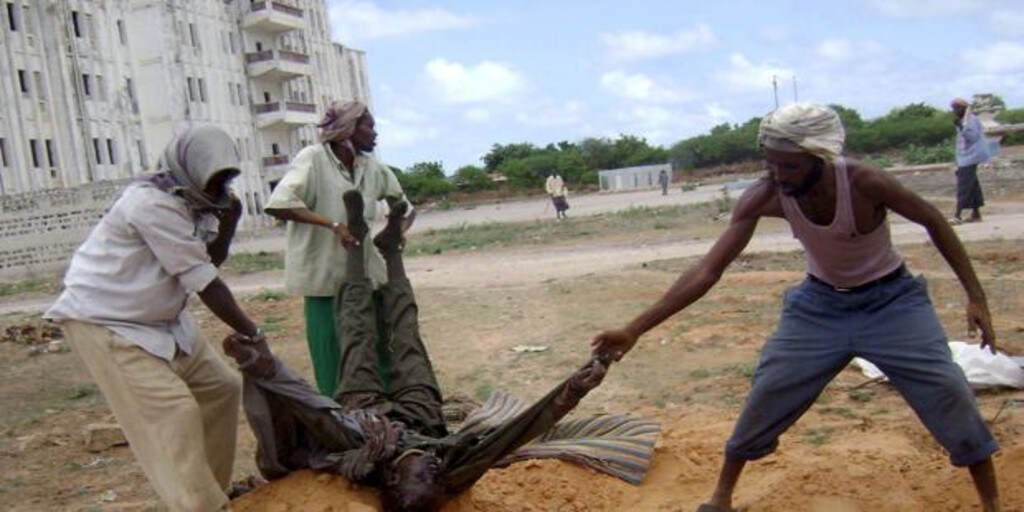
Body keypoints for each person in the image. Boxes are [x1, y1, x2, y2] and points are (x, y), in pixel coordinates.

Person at [591, 103, 1002, 512]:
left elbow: (934, 220)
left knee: (948, 390)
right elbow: (707, 271)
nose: (778, 176)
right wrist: (635, 329)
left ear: (818, 158)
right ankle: (721, 498)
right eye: (771, 164)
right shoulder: (765, 194)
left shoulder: (864, 181)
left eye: (789, 166)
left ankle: (991, 503)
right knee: (769, 390)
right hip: (818, 306)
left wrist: (976, 297)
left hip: (893, 303)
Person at [227, 191, 659, 511]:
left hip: (362, 409)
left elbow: (315, 409)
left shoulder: (361, 453)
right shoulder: (449, 467)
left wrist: (262, 365)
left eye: (425, 473)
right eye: (437, 476)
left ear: (392, 479)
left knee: (355, 331)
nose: (435, 465)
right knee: (407, 330)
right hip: (421, 411)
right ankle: (392, 251)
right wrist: (575, 387)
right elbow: (519, 431)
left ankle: (356, 243)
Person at [44, 126, 265, 512]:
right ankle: (200, 504)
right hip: (107, 320)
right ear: (190, 169)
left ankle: (207, 494)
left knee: (222, 389)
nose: (221, 189)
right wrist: (254, 332)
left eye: (227, 180)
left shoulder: (194, 203)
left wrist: (227, 222)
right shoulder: (150, 205)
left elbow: (209, 260)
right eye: (214, 180)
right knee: (172, 413)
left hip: (163, 319)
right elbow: (205, 282)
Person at [264, 100, 412, 397]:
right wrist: (334, 226)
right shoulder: (313, 159)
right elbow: (280, 204)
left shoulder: (371, 167)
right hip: (324, 283)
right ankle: (343, 424)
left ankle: (385, 418)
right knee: (332, 363)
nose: (374, 133)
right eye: (368, 126)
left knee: (378, 351)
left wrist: (395, 231)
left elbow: (404, 207)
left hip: (368, 278)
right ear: (348, 129)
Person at [951, 97, 989, 224]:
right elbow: (960, 143)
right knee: (972, 185)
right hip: (966, 156)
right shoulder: (964, 120)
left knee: (964, 185)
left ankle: (957, 215)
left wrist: (960, 126)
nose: (955, 111)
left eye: (958, 108)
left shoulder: (970, 120)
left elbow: (972, 137)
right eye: (954, 108)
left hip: (971, 156)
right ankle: (976, 214)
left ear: (965, 108)